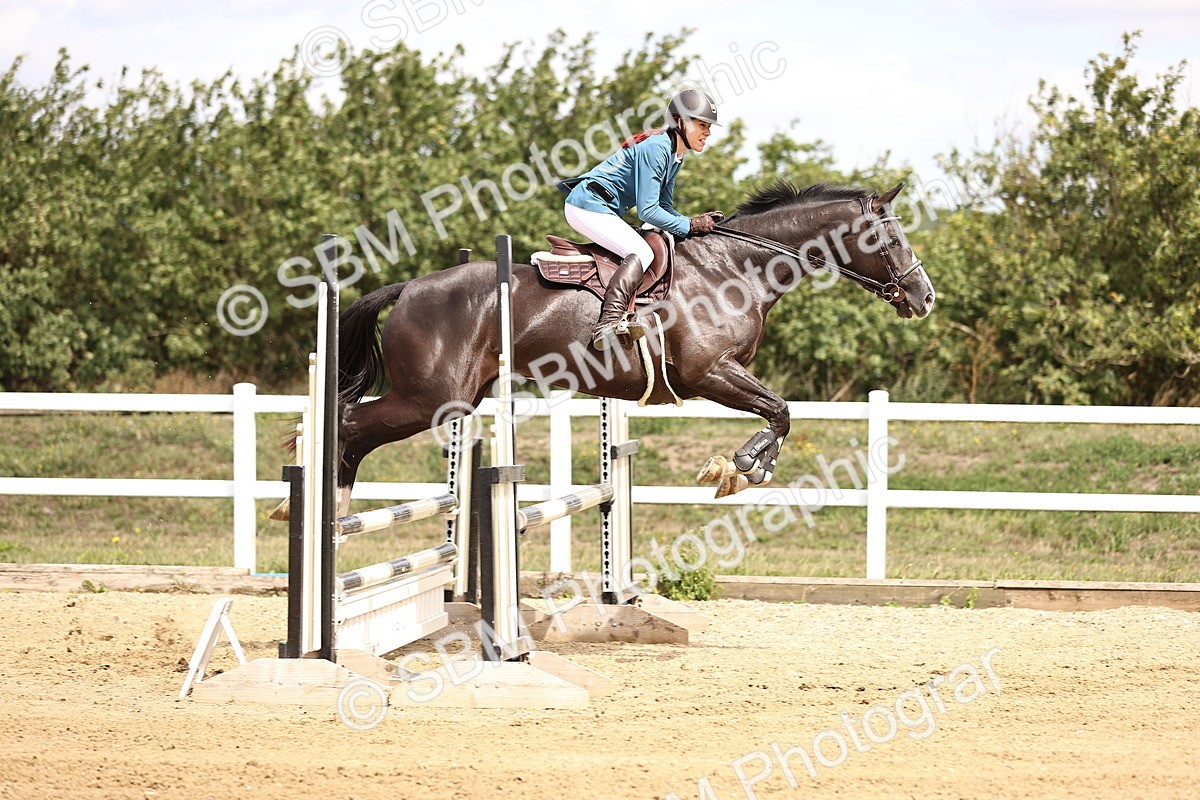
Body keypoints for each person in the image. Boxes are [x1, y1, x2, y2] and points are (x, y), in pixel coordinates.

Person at [558, 89, 725, 350]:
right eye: (702, 125)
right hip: (587, 205)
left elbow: (665, 206)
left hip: (602, 208)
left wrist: (690, 224)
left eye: (709, 127)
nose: (708, 133)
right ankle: (608, 323)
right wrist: (689, 225)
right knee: (640, 251)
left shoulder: (674, 154)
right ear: (681, 122)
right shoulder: (657, 148)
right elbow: (648, 211)